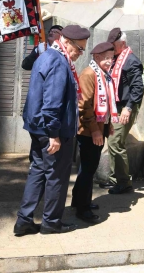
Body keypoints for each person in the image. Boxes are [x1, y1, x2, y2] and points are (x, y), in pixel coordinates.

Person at [14, 24, 90, 236]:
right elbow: (52, 103)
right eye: (79, 49)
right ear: (66, 41)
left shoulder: (46, 56)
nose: (80, 54)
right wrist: (54, 135)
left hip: (38, 127)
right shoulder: (58, 61)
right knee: (56, 176)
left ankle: (24, 220)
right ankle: (51, 222)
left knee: (37, 172)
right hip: (52, 130)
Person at [71, 42, 118, 223]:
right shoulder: (89, 74)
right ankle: (82, 209)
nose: (110, 61)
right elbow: (84, 106)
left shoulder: (103, 74)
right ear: (96, 57)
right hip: (89, 131)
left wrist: (107, 125)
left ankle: (79, 200)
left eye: (111, 58)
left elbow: (105, 104)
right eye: (106, 58)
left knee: (88, 168)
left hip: (98, 128)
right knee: (88, 170)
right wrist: (95, 131)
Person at [100, 28, 144, 194]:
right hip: (114, 107)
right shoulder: (115, 58)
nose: (111, 47)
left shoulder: (131, 61)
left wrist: (128, 108)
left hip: (125, 107)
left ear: (123, 44)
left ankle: (124, 182)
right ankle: (115, 178)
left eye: (114, 45)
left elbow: (138, 88)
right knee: (113, 142)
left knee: (115, 142)